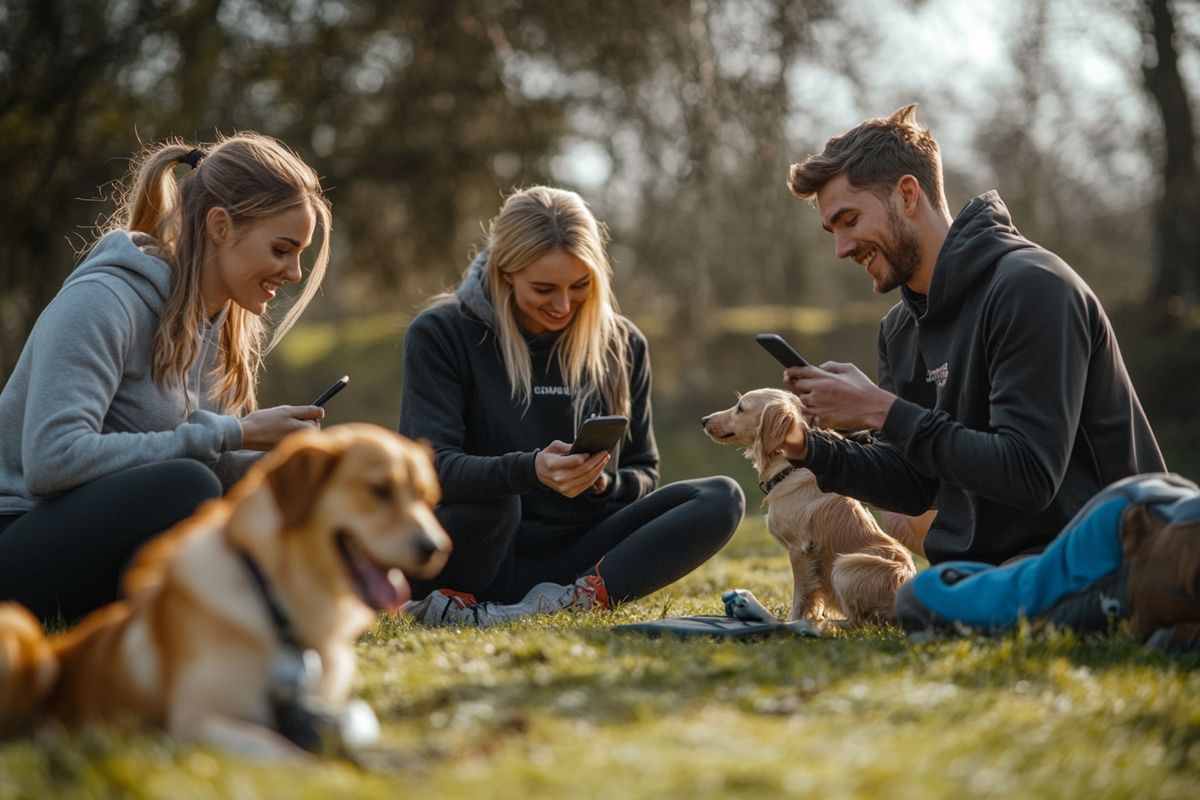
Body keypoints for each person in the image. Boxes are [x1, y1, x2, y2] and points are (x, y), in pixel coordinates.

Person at [778, 104, 1165, 566]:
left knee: (925, 601)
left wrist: (880, 409)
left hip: (1110, 561)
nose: (841, 248)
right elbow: (915, 485)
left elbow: (1029, 474)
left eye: (850, 220)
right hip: (987, 571)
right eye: (832, 231)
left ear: (906, 195)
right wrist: (807, 445)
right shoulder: (900, 330)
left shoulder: (1032, 287)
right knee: (926, 598)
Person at [0, 132, 333, 623]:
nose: (294, 273)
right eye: (282, 249)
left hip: (106, 547)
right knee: (184, 485)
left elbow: (204, 462)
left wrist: (277, 463)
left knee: (266, 486)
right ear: (220, 226)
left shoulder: (225, 328)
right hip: (21, 535)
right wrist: (236, 433)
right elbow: (53, 461)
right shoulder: (103, 301)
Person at [399, 186, 745, 625]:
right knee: (498, 499)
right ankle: (460, 601)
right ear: (505, 274)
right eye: (543, 289)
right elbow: (426, 470)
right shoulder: (441, 332)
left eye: (580, 286)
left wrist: (603, 485)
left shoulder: (623, 344)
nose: (563, 305)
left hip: (571, 558)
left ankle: (563, 601)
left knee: (719, 497)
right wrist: (530, 470)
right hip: (476, 547)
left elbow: (644, 470)